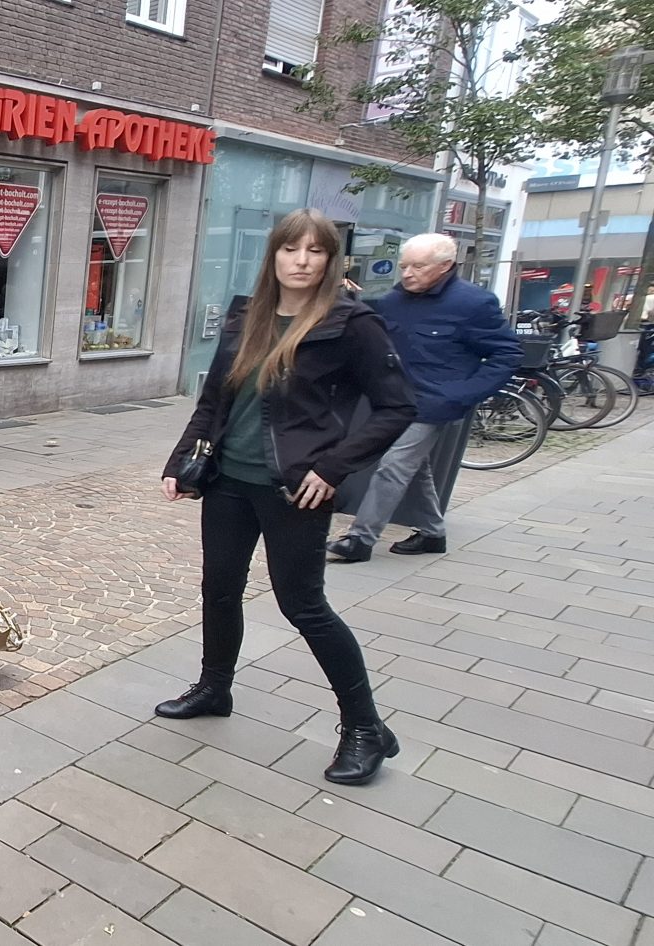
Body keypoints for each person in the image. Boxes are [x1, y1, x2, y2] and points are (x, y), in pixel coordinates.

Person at [158, 209, 417, 786]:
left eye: (315, 251)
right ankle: (214, 687)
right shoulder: (247, 316)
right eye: (290, 249)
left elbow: (398, 406)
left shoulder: (351, 323)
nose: (301, 261)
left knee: (303, 605)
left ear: (330, 260)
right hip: (228, 480)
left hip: (295, 487)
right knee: (219, 590)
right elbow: (214, 401)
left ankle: (366, 728)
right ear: (273, 254)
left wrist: (334, 467)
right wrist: (182, 462)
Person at [327, 233, 520, 563]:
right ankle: (432, 532)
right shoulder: (394, 300)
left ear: (445, 266)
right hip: (392, 399)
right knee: (415, 468)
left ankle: (360, 539)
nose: (407, 273)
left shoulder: (474, 303)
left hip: (431, 403)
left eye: (418, 266)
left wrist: (461, 394)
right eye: (404, 266)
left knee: (393, 465)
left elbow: (508, 354)